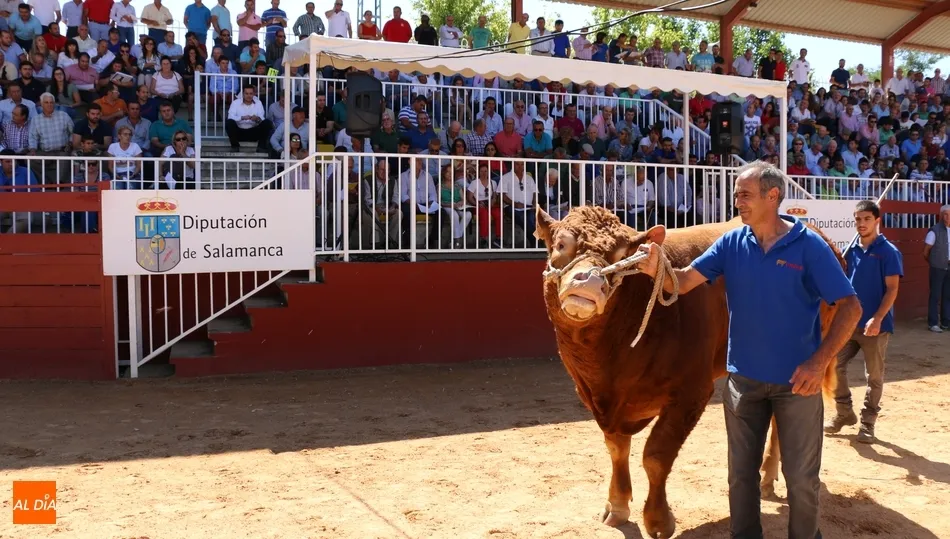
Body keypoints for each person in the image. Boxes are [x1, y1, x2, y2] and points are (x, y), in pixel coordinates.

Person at [638, 160, 862, 539]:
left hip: (798, 386)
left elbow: (851, 307)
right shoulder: (731, 242)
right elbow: (682, 283)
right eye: (737, 194)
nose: (737, 201)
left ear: (772, 196)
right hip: (742, 383)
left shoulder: (807, 246)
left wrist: (818, 361)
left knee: (802, 480)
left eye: (745, 194)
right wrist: (658, 268)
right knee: (740, 478)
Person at [824, 200, 902, 445]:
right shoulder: (850, 250)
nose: (861, 223)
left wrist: (877, 319)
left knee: (874, 377)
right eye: (858, 219)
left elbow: (892, 290)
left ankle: (868, 424)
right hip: (849, 323)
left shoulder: (889, 251)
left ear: (877, 220)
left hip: (875, 326)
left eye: (867, 218)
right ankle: (844, 412)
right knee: (833, 364)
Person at [923, 204, 950, 332]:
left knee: (947, 295)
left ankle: (946, 322)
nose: (948, 217)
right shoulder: (934, 230)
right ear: (941, 216)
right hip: (937, 267)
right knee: (935, 295)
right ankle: (933, 323)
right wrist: (933, 262)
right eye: (945, 214)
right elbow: (926, 251)